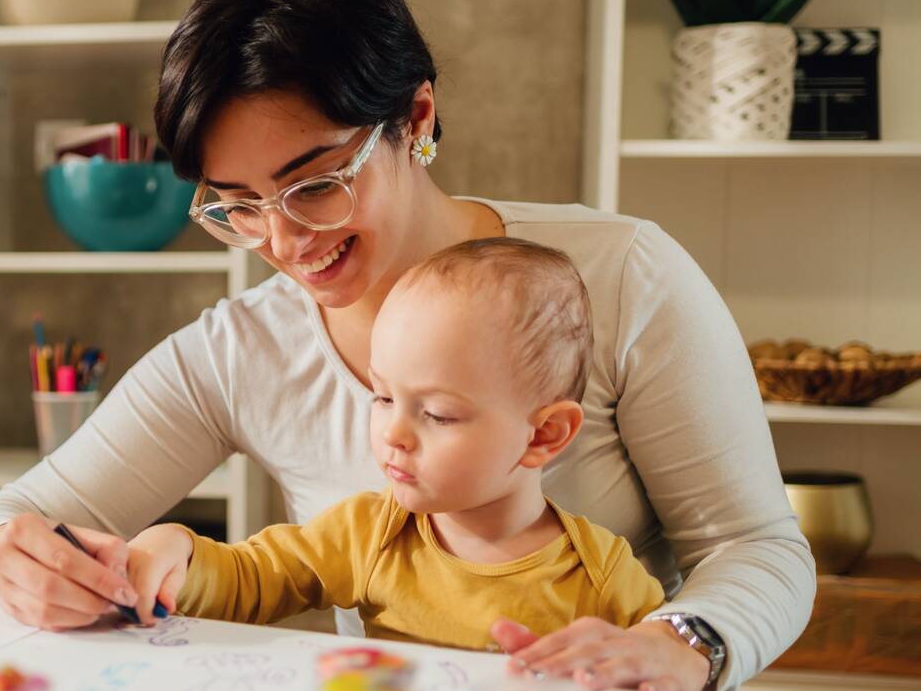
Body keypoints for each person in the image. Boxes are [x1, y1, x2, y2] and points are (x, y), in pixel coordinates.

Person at [0, 0, 921, 691]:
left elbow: (759, 543)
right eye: (237, 204)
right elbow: (9, 516)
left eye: (316, 183)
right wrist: (4, 555)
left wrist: (679, 646)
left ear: (415, 117)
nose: (284, 240)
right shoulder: (241, 347)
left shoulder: (621, 278)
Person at [123, 238, 668, 647]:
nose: (394, 434)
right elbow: (249, 580)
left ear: (544, 434)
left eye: (436, 413)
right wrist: (177, 551)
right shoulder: (369, 534)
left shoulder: (603, 580)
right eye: (383, 397)